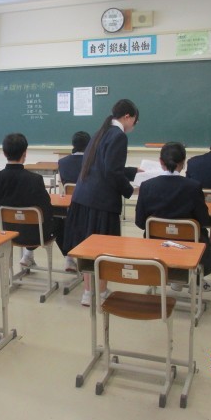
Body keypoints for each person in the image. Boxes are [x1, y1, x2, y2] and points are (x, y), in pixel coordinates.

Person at [63, 99, 139, 306]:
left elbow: (103, 165)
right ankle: (102, 291)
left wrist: (132, 172)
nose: (134, 126)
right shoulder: (119, 136)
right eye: (135, 121)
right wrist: (130, 190)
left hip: (83, 197)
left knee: (88, 247)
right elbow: (112, 171)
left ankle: (88, 293)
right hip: (101, 203)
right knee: (103, 249)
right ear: (127, 117)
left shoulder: (101, 132)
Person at [135, 142, 211, 289]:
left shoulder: (147, 186)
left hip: (156, 243)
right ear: (183, 163)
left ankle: (171, 277)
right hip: (189, 244)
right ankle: (191, 278)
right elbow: (203, 220)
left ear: (161, 162)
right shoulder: (193, 186)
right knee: (201, 234)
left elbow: (140, 222)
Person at [0, 133, 68, 268]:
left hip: (6, 233)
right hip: (35, 235)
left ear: (4, 153)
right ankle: (69, 259)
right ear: (25, 153)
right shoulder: (35, 179)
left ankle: (28, 257)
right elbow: (46, 211)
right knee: (62, 222)